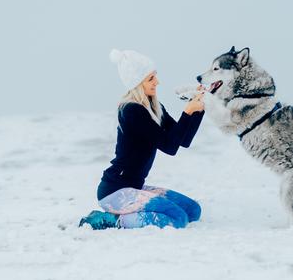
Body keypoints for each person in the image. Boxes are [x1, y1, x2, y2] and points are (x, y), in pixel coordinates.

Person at [79, 49, 205, 230]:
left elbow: (182, 140)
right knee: (177, 218)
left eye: (155, 76)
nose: (157, 82)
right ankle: (109, 220)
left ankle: (123, 214)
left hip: (135, 188)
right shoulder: (131, 110)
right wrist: (187, 111)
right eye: (151, 78)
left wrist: (198, 109)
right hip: (116, 191)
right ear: (137, 82)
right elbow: (169, 146)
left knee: (193, 211)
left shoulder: (155, 107)